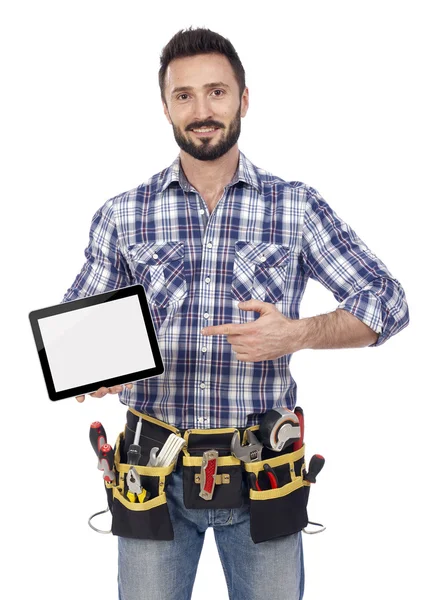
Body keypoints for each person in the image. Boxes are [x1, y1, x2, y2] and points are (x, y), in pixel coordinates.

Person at [62, 27, 409, 600]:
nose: (202, 110)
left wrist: (297, 333)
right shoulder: (123, 215)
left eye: (217, 92)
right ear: (166, 106)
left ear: (243, 99)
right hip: (152, 477)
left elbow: (388, 303)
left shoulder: (295, 206)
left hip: (262, 474)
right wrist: (95, 369)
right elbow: (75, 339)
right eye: (184, 95)